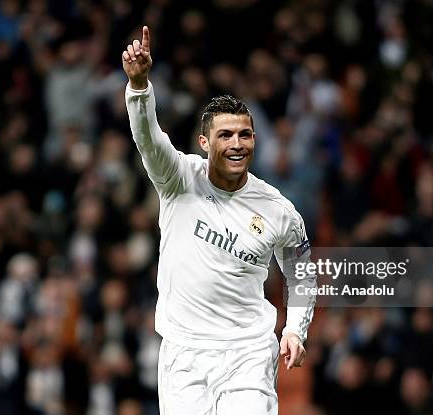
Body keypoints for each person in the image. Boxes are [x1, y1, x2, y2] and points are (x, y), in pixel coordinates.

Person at [122, 26, 317, 415]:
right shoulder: (178, 178)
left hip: (248, 351)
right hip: (184, 352)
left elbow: (302, 274)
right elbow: (148, 138)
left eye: (245, 134)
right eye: (225, 135)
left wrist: (295, 328)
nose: (237, 144)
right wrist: (140, 86)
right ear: (205, 143)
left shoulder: (278, 209)